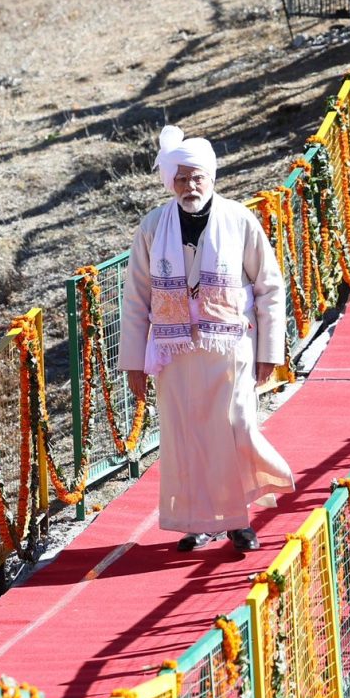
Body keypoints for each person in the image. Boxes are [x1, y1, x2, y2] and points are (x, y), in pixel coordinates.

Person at [117, 125, 294, 553]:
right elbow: (137, 297)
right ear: (171, 182)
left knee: (235, 428)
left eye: (197, 177)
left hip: (229, 347)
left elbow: (269, 285)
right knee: (186, 438)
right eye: (181, 178)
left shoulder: (238, 219)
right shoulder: (153, 226)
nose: (189, 186)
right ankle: (196, 522)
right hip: (174, 353)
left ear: (211, 178)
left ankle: (238, 522)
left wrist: (269, 351)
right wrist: (134, 363)